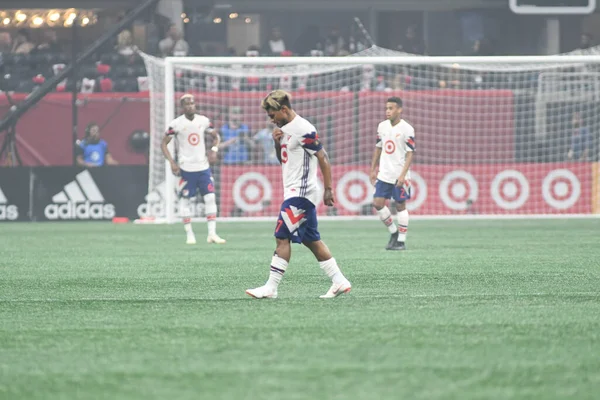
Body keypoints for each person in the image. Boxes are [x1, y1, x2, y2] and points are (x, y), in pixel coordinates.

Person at [246, 90, 351, 299]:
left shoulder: (304, 129)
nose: (271, 120)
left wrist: (329, 189)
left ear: (284, 109)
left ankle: (271, 287)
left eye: (273, 115)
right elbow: (283, 160)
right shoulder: (283, 130)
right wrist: (277, 143)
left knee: (281, 237)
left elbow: (323, 157)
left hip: (301, 194)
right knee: (311, 240)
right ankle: (339, 281)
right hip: (294, 192)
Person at [161, 94, 226, 245]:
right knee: (186, 201)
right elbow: (164, 143)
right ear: (182, 107)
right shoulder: (176, 124)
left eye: (192, 103)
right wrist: (172, 162)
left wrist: (214, 150)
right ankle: (190, 235)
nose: (190, 106)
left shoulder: (203, 121)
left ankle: (212, 234)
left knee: (210, 198)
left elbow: (216, 136)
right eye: (187, 104)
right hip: (186, 168)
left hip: (203, 167)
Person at [369, 97, 415, 251]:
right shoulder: (382, 126)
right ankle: (394, 233)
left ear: (399, 110)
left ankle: (401, 241)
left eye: (391, 108)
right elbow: (378, 147)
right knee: (377, 203)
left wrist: (403, 175)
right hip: (384, 174)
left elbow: (410, 153)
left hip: (400, 175)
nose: (388, 111)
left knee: (400, 206)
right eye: (387, 108)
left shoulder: (407, 129)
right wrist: (372, 169)